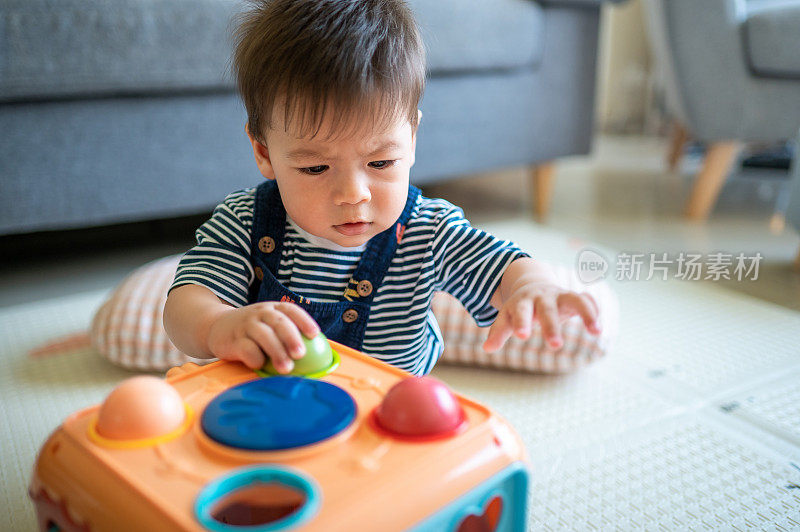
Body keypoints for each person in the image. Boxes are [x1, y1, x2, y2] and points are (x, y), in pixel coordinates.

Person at [163, 0, 601, 376]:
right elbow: (184, 306)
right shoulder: (245, 222)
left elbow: (504, 266)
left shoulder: (429, 232)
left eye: (380, 162)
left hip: (388, 427)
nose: (354, 194)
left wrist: (531, 287)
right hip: (273, 417)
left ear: (411, 141)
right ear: (263, 154)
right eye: (315, 168)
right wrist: (219, 327)